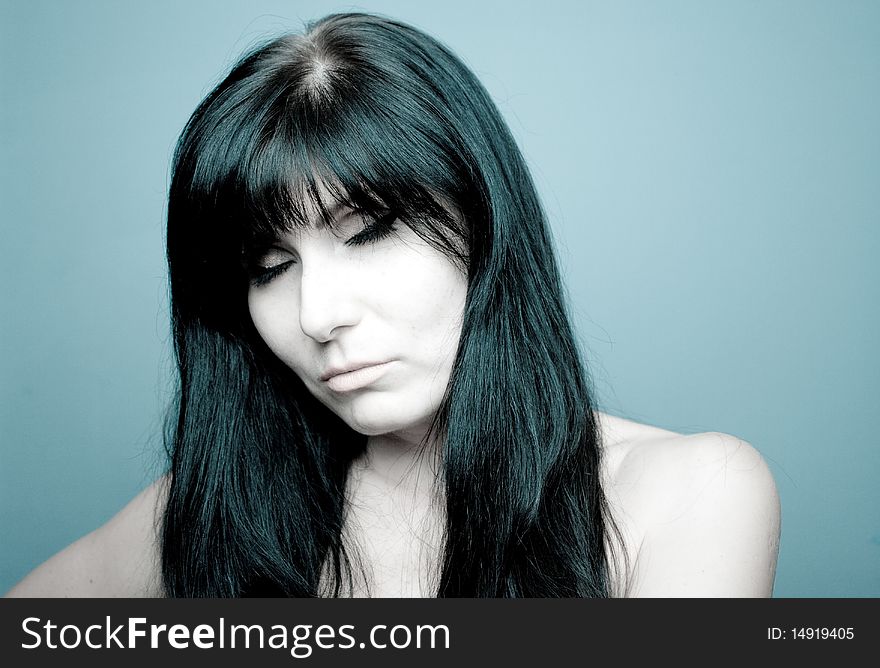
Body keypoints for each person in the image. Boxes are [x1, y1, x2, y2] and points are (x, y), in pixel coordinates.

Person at [6, 12, 779, 598]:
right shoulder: (214, 511)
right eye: (271, 267)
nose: (318, 314)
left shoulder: (687, 492)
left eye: (369, 232)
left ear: (483, 224)